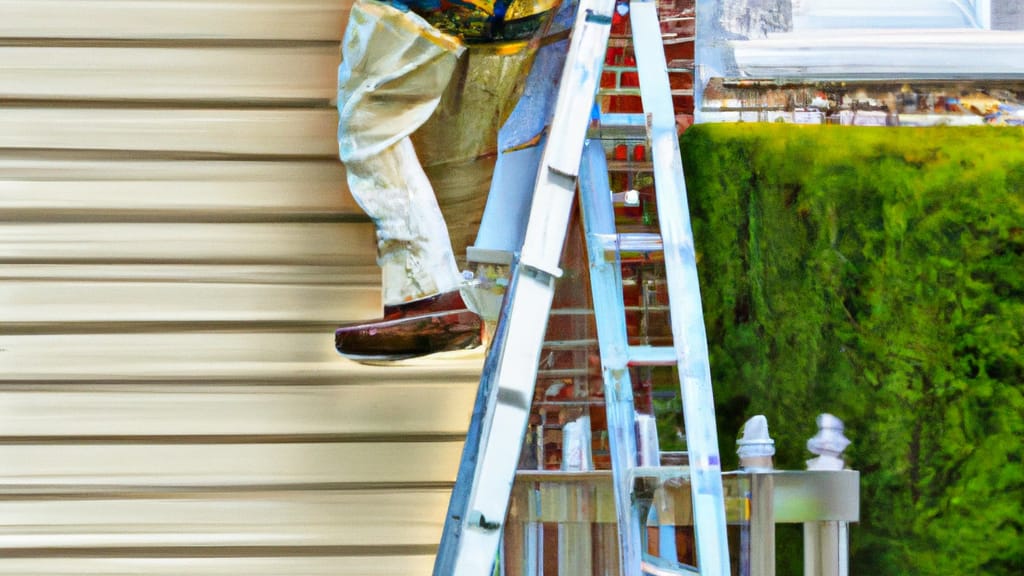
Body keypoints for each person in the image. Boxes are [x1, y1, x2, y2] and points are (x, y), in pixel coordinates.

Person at [334, 0, 567, 360]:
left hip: (451, 9)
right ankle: (477, 302)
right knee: (488, 142)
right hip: (526, 16)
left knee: (369, 124)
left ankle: (428, 292)